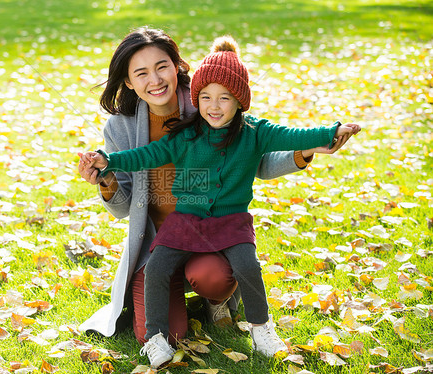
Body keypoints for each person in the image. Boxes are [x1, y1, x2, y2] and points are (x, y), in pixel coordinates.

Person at [79, 35, 360, 368]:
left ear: (178, 66)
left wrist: (325, 136)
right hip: (171, 231)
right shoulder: (149, 127)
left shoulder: (210, 106)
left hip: (222, 225)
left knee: (236, 268)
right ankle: (156, 336)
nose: (154, 80)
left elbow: (279, 143)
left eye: (161, 67)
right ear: (128, 81)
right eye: (141, 73)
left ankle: (242, 316)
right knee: (166, 323)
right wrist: (107, 167)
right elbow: (141, 159)